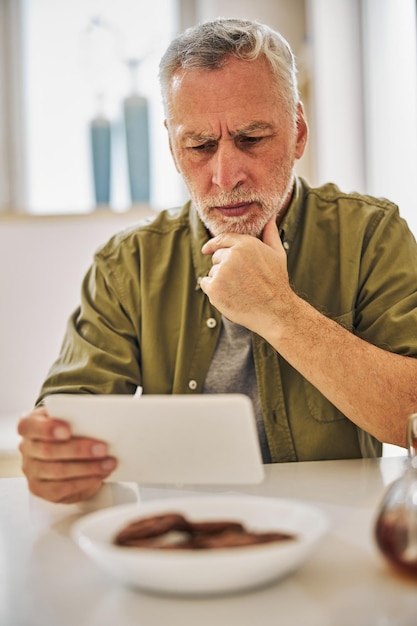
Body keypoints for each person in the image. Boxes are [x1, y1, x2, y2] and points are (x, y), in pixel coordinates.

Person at [18, 17, 417, 504]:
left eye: (251, 139)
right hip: (185, 537)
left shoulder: (371, 235)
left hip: (342, 532)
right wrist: (55, 458)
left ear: (297, 133)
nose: (225, 176)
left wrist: (280, 311)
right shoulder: (127, 263)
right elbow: (69, 415)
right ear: (171, 146)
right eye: (200, 146)